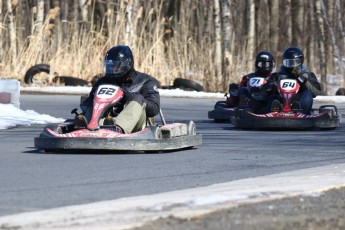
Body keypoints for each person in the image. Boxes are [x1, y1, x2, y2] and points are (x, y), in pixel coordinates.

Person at [75, 45, 160, 134]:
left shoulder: (144, 81)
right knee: (94, 100)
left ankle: (117, 128)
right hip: (106, 120)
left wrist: (127, 96)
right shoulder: (103, 82)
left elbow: (154, 109)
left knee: (138, 98)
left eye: (117, 66)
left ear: (127, 64)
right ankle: (86, 125)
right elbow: (88, 103)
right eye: (111, 66)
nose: (113, 69)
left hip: (135, 124)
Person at [265, 46, 321, 114]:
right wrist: (272, 86)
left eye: (294, 63)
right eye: (288, 63)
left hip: (299, 102)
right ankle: (275, 109)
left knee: (307, 93)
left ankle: (299, 110)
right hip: (281, 102)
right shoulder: (277, 76)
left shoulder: (308, 75)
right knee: (272, 95)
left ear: (301, 62)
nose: (291, 66)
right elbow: (266, 90)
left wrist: (303, 80)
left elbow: (316, 92)